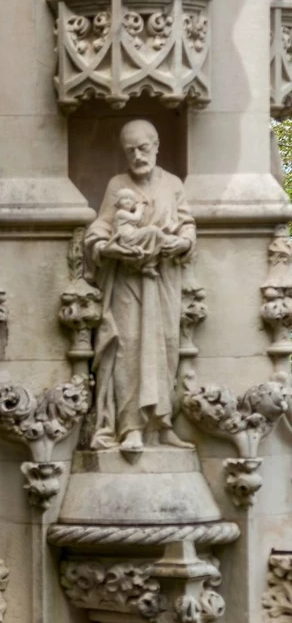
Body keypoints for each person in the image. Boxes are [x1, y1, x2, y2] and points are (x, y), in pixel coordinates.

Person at [82, 118, 196, 457]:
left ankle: (161, 425)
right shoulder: (118, 184)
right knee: (129, 349)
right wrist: (105, 248)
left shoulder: (173, 184)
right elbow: (100, 228)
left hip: (163, 280)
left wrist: (183, 244)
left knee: (166, 348)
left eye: (143, 148)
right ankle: (130, 427)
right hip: (128, 281)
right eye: (130, 150)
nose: (137, 155)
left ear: (157, 145)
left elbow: (188, 224)